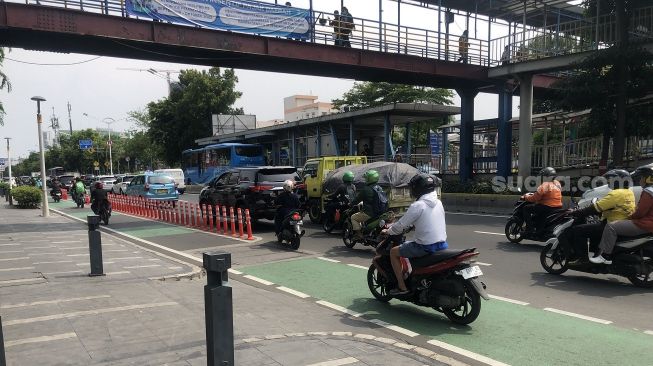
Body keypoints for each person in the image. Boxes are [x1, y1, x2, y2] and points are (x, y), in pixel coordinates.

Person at [382, 173, 447, 295]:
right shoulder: (438, 202)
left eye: (412, 187)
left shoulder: (418, 205)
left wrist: (388, 231)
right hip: (442, 244)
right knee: (407, 245)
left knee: (393, 252)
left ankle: (402, 287)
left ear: (418, 188)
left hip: (424, 246)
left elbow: (400, 225)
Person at [567, 169, 635, 261]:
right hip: (619, 222)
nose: (609, 182)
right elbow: (610, 206)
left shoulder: (616, 193)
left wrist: (576, 212)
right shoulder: (629, 192)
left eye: (611, 179)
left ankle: (582, 259)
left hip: (610, 224)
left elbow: (595, 208)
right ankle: (597, 253)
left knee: (578, 230)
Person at [591, 166, 653, 264]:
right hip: (648, 224)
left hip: (645, 224)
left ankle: (605, 256)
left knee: (611, 227)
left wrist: (630, 217)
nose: (640, 180)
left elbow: (640, 212)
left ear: (647, 179)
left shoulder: (648, 192)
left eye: (641, 178)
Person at [522, 167, 563, 234]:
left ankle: (529, 229)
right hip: (558, 207)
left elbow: (535, 198)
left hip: (547, 207)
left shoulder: (544, 185)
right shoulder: (557, 183)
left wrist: (525, 197)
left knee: (526, 208)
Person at [351, 170, 382, 239]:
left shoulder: (366, 189)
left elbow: (356, 200)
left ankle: (359, 234)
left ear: (369, 179)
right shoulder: (380, 188)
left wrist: (351, 204)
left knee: (353, 217)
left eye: (366, 178)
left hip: (369, 213)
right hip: (380, 212)